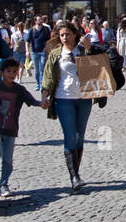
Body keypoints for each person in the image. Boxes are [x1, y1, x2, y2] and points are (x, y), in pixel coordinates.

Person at [41, 21, 97, 193]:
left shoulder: (82, 50)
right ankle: (74, 177)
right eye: (62, 35)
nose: (65, 37)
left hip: (83, 99)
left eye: (68, 34)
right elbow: (49, 76)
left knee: (80, 137)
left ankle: (76, 173)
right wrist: (44, 94)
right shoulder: (56, 54)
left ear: (75, 34)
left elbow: (96, 69)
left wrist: (89, 50)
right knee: (70, 136)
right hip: (63, 99)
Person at [0, 57, 47, 197]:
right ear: (2, 73)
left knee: (8, 160)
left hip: (11, 129)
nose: (12, 74)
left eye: (14, 71)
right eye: (8, 71)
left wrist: (41, 104)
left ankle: (3, 185)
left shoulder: (20, 90)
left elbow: (31, 101)